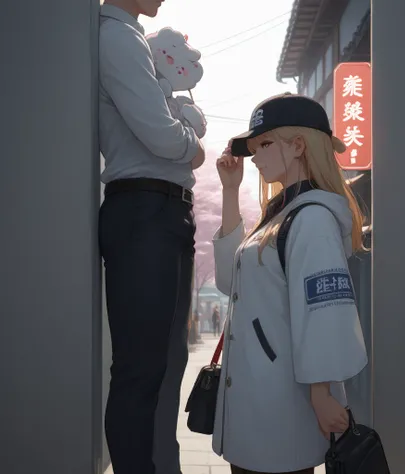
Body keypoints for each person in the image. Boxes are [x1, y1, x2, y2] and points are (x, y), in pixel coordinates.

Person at [211, 93, 368, 474]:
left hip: (284, 404)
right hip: (261, 399)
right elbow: (231, 281)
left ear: (298, 145)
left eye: (265, 144)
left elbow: (326, 311)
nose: (256, 157)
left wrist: (321, 394)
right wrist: (230, 191)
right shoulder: (282, 216)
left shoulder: (311, 219)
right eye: (254, 148)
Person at [98, 1, 205, 474]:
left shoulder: (133, 37)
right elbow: (161, 136)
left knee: (164, 364)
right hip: (145, 210)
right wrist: (192, 146)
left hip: (159, 211)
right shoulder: (117, 37)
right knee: (143, 369)